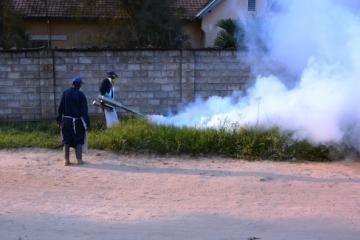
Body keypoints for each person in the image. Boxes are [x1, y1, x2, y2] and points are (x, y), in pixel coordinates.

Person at [56, 77, 90, 166]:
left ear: (72, 84)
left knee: (66, 140)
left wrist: (59, 120)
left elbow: (60, 108)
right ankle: (79, 160)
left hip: (66, 120)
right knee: (78, 140)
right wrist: (87, 123)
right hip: (77, 121)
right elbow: (84, 111)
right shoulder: (81, 95)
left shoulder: (65, 93)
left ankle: (66, 161)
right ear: (79, 85)